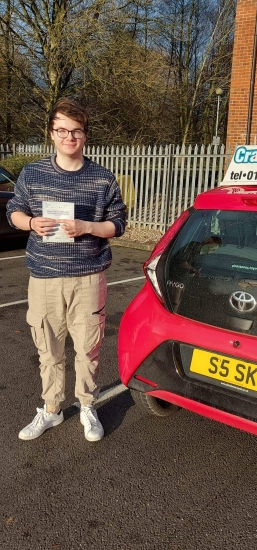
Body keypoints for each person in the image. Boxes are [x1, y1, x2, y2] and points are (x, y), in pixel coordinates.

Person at [7, 98, 126, 442]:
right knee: (49, 347)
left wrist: (87, 227)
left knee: (88, 347)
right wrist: (30, 222)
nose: (69, 137)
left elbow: (118, 224)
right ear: (52, 133)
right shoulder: (33, 173)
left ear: (85, 135)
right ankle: (51, 409)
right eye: (62, 130)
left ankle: (87, 405)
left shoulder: (102, 178)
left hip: (88, 277)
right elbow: (13, 211)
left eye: (75, 131)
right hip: (44, 277)